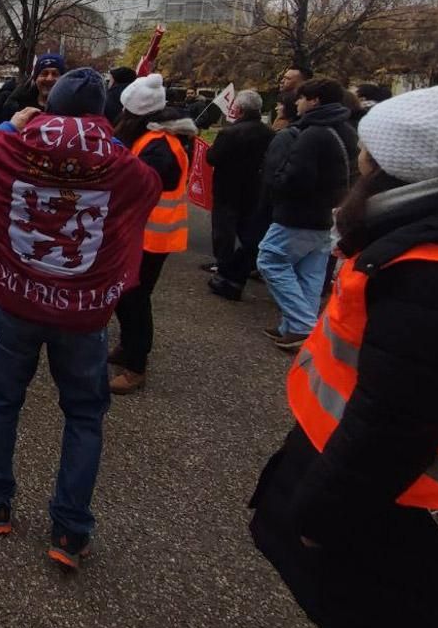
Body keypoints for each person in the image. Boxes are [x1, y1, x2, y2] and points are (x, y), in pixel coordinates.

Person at [249, 73, 438, 628]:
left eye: (368, 153)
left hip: (408, 518)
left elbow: (393, 424)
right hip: (400, 510)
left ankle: (294, 319)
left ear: (401, 170)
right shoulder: (415, 247)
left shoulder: (436, 271)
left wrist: (319, 517)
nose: (357, 157)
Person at [0, 68, 162, 568]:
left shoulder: (15, 145)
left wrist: (10, 126)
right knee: (85, 415)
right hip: (82, 311)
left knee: (3, 399)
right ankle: (70, 530)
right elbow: (148, 188)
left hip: (18, 301)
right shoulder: (118, 159)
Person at [108, 73, 196, 394]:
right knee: (125, 296)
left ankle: (135, 365)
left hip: (152, 238)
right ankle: (127, 346)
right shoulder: (150, 139)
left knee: (135, 300)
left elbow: (137, 186)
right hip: (138, 234)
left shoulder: (160, 147)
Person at [256, 77, 358, 350]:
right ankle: (292, 325)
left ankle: (302, 325)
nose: (297, 103)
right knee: (309, 272)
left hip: (298, 214)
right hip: (325, 215)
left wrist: (277, 181)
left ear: (314, 100)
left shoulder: (313, 134)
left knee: (271, 259)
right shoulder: (347, 131)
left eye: (302, 98)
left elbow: (295, 177)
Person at [204, 90, 274, 299]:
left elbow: (214, 157)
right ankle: (244, 262)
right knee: (247, 230)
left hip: (228, 187)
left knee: (224, 229)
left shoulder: (229, 133)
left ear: (239, 110)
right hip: (253, 188)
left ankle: (223, 264)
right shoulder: (269, 133)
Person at [0, 53, 64, 124]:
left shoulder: (70, 108)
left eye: (55, 74)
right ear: (35, 79)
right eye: (44, 73)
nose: (49, 78)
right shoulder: (17, 107)